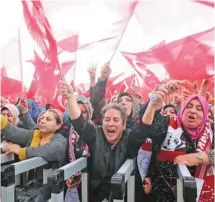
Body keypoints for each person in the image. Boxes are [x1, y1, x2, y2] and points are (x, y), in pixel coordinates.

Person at [59, 80, 151, 202]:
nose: (110, 124)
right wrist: (70, 98)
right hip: (96, 194)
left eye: (115, 120)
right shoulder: (95, 134)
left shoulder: (129, 137)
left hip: (125, 194)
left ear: (123, 125)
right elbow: (79, 124)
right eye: (107, 119)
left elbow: (142, 130)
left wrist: (153, 105)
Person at [143, 85, 214, 202]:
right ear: (182, 109)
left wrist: (197, 157)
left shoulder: (211, 132)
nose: (192, 110)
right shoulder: (167, 125)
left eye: (199, 108)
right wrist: (152, 105)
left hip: (198, 196)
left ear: (206, 114)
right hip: (161, 195)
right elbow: (144, 130)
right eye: (189, 106)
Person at [1, 108, 67, 183]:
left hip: (51, 189)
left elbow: (48, 150)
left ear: (58, 125)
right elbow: (13, 132)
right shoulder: (34, 134)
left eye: (48, 119)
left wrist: (20, 151)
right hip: (29, 187)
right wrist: (1, 120)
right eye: (42, 118)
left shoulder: (61, 141)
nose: (42, 121)